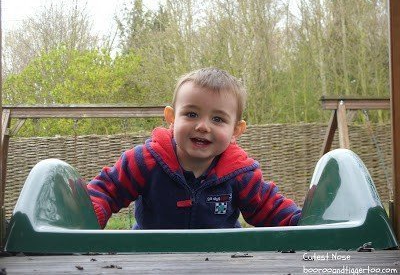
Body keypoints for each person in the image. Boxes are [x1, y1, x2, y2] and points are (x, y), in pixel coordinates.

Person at [87, 67, 301, 229]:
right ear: (171, 118)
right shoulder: (146, 160)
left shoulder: (240, 173)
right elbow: (107, 189)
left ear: (236, 130)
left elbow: (270, 208)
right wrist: (87, 219)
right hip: (152, 258)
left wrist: (302, 225)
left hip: (219, 261)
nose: (202, 126)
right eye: (191, 114)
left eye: (217, 119)